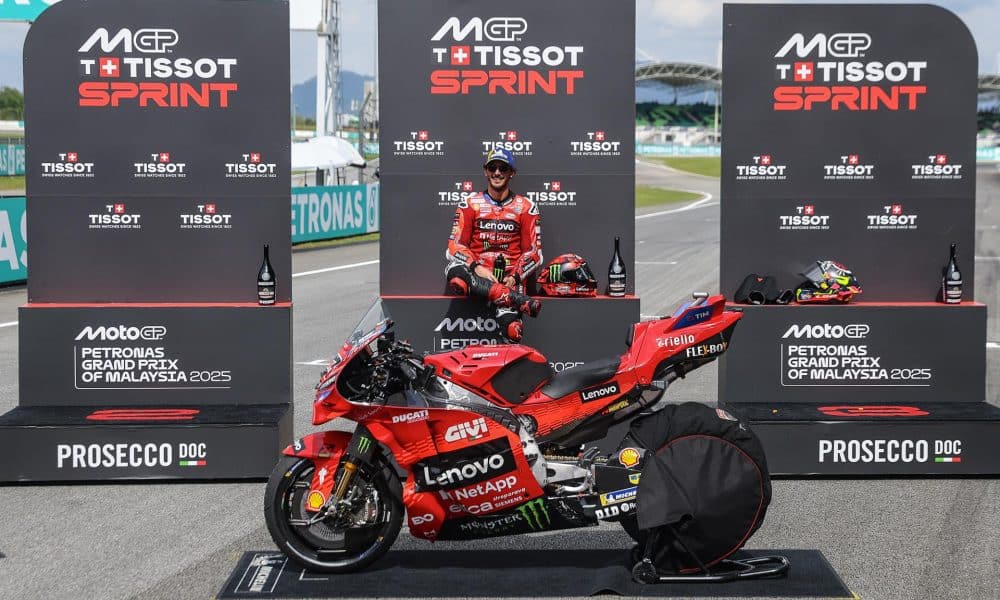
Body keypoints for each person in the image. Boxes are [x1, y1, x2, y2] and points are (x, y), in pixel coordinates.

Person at [445, 147, 542, 342]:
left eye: (503, 168)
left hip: (510, 279)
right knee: (455, 272)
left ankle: (506, 295)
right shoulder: (469, 203)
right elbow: (455, 246)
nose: (497, 172)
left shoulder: (526, 207)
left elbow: (533, 253)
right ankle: (508, 297)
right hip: (478, 276)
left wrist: (514, 277)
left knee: (512, 332)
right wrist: (476, 267)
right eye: (492, 168)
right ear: (486, 171)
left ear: (512, 173)